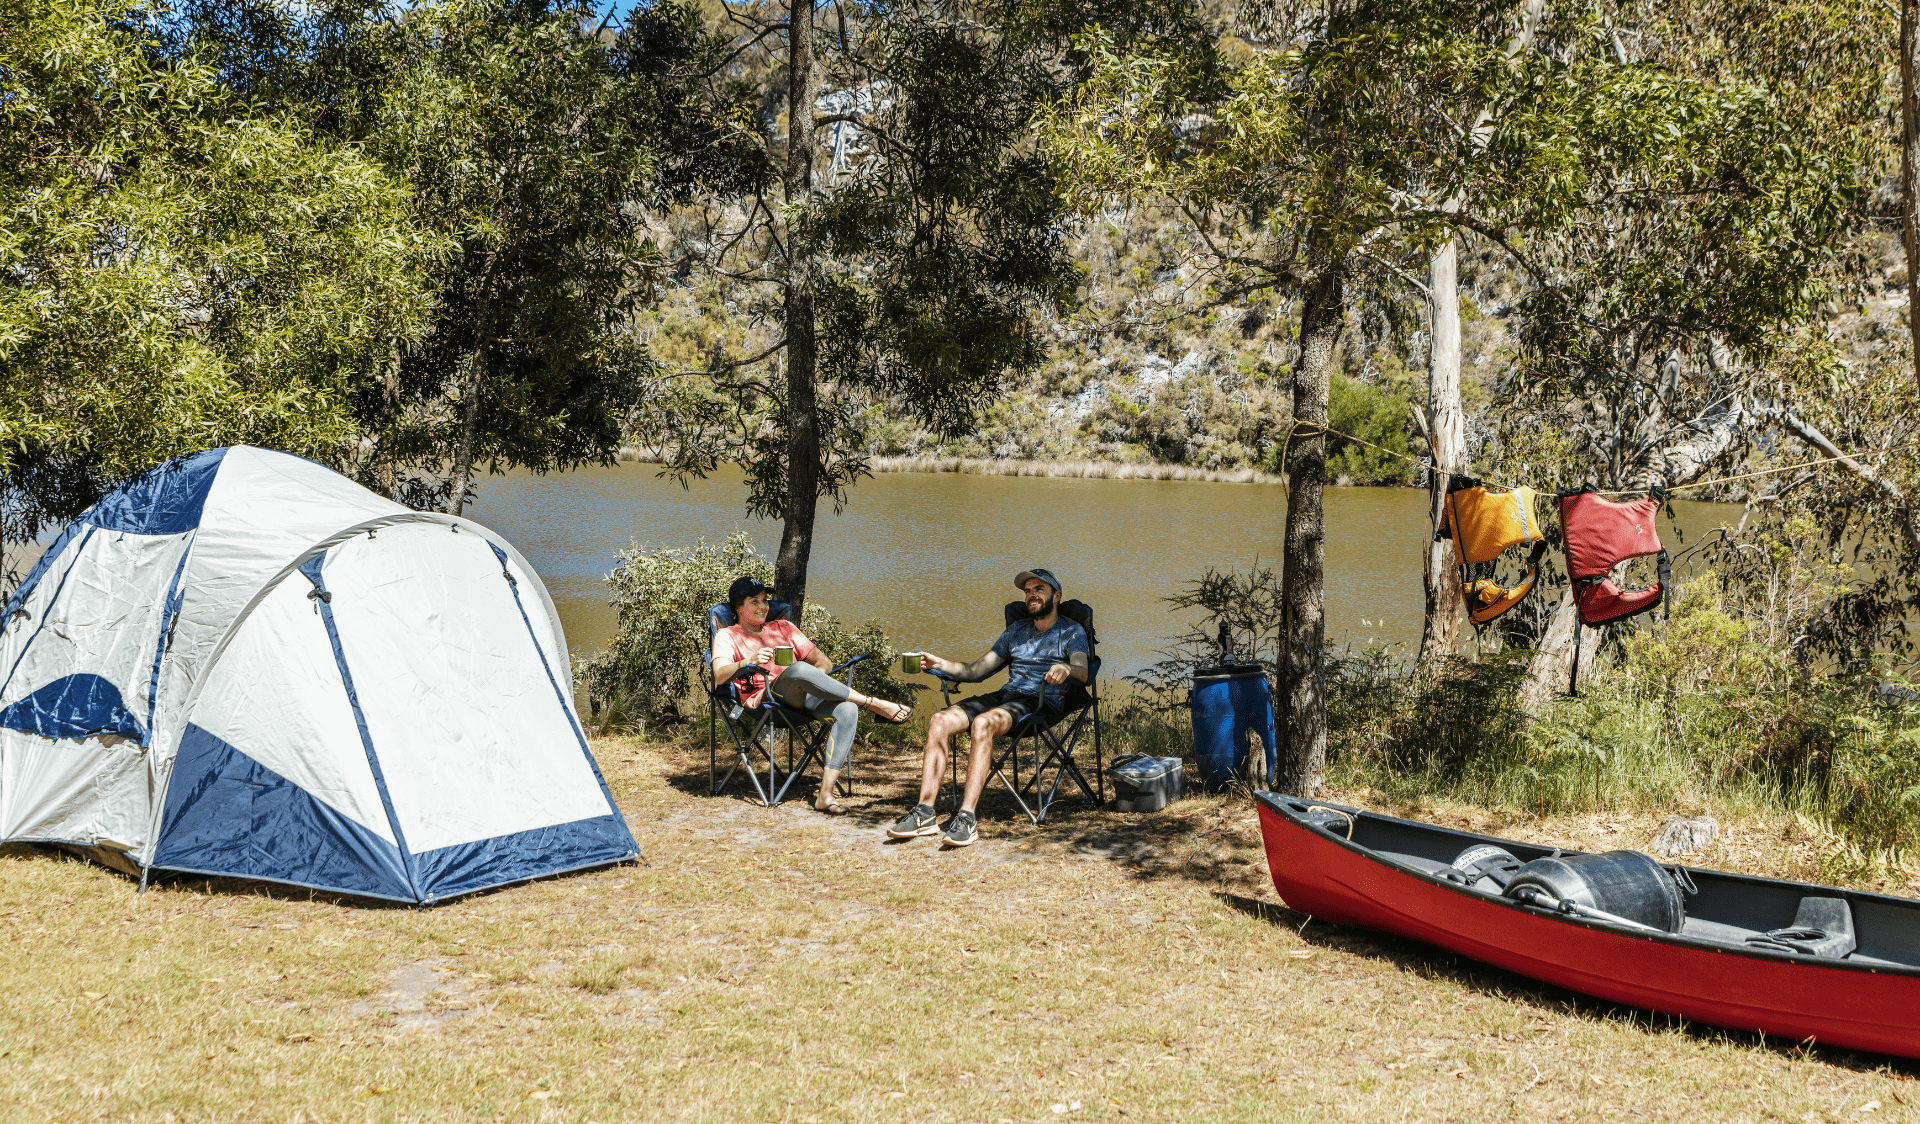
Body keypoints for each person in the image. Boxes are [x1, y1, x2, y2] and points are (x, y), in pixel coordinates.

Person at [886, 568, 1089, 847]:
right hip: (1007, 696)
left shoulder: (1071, 630)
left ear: (1057, 595)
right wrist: (940, 664)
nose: (1031, 594)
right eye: (1028, 590)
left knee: (982, 723)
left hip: (1039, 703)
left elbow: (1083, 670)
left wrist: (1066, 667)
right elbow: (975, 671)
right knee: (939, 720)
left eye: (1039, 589)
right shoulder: (1016, 631)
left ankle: (967, 817)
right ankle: (924, 813)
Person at [712, 576, 910, 814]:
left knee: (847, 709)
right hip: (767, 703)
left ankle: (825, 795)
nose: (763, 607)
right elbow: (720, 676)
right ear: (738, 607)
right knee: (798, 669)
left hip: (803, 699)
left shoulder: (784, 628)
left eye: (765, 600)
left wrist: (814, 680)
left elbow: (823, 662)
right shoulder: (727, 635)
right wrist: (748, 661)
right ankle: (873, 703)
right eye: (754, 601)